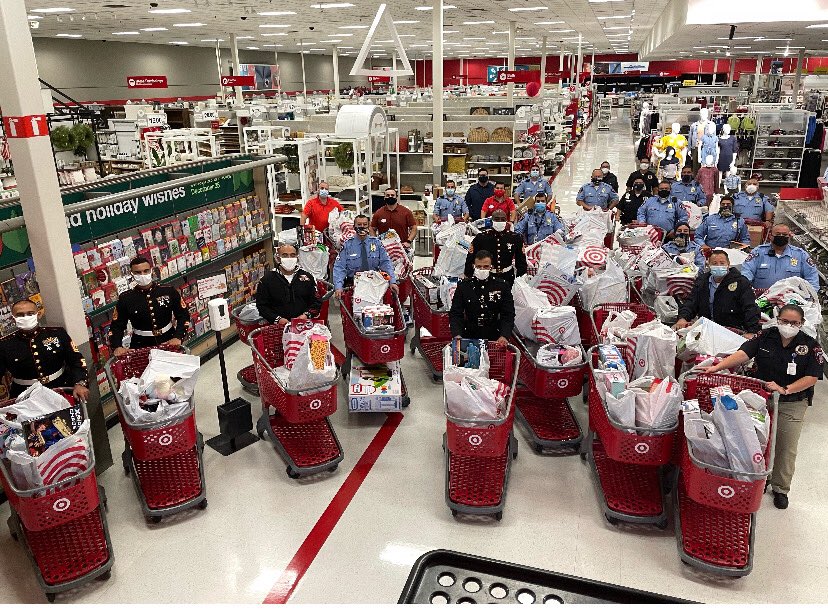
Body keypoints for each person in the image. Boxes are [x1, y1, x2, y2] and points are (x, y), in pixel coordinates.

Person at [705, 304, 823, 509]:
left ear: (801, 324)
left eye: (794, 323)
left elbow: (812, 377)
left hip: (792, 402)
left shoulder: (811, 346)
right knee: (759, 441)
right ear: (778, 320)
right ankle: (761, 478)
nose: (788, 326)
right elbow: (743, 353)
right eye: (784, 321)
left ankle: (780, 488)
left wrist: (785, 389)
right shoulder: (766, 336)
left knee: (786, 447)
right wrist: (717, 367)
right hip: (761, 399)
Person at [0, 299, 89, 400]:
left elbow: (76, 360)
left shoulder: (57, 333)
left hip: (60, 388)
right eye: (20, 315)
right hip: (25, 397)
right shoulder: (4, 344)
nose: (26, 317)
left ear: (38, 314)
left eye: (30, 313)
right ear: (13, 319)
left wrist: (79, 383)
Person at [110, 256, 191, 355]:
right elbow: (117, 326)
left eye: (146, 271)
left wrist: (178, 336)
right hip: (140, 345)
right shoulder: (126, 298)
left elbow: (183, 315)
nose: (142, 275)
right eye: (138, 273)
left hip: (169, 340)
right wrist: (117, 346)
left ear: (151, 271)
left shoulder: (168, 290)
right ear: (132, 274)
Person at [673, 250, 761, 334]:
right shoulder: (702, 281)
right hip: (706, 328)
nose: (719, 266)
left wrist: (752, 331)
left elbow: (750, 308)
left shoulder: (741, 283)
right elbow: (691, 302)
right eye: (714, 263)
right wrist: (683, 318)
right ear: (709, 265)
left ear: (728, 264)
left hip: (732, 330)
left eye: (722, 263)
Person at [449, 250, 514, 347]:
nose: (482, 269)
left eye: (486, 266)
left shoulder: (502, 286)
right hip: (469, 336)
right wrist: (457, 334)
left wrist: (504, 335)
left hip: (494, 337)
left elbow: (508, 314)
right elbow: (456, 313)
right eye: (479, 266)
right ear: (473, 266)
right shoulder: (464, 286)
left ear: (491, 267)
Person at [255, 243, 322, 326]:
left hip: (304, 325)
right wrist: (277, 319)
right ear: (277, 258)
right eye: (285, 255)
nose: (289, 258)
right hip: (277, 328)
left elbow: (316, 302)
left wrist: (306, 315)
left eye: (292, 255)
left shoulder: (307, 278)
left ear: (297, 257)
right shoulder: (267, 280)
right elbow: (262, 306)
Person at [332, 214, 398, 299]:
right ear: (354, 226)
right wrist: (338, 287)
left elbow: (386, 263)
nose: (362, 227)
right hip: (354, 284)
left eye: (365, 224)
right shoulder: (347, 245)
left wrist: (392, 281)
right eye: (359, 225)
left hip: (374, 283)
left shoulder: (376, 243)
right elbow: (339, 267)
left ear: (369, 226)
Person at [741, 223, 820, 291]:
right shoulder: (758, 252)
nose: (781, 236)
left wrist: (809, 297)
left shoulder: (800, 255)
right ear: (770, 236)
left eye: (784, 235)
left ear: (789, 236)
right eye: (778, 234)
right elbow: (746, 273)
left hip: (791, 302)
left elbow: (812, 278)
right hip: (761, 300)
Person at [465, 209, 527, 287]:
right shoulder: (481, 237)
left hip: (507, 277)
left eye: (503, 219)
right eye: (497, 219)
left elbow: (521, 261)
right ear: (492, 221)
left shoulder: (515, 238)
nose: (500, 221)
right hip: (487, 276)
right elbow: (471, 258)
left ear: (506, 221)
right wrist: (468, 275)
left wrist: (521, 279)